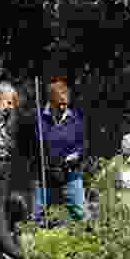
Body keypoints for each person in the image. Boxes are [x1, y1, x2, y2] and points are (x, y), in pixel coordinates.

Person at [32, 75, 86, 222]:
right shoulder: (40, 120)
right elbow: (34, 147)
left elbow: (82, 145)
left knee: (80, 214)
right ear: (51, 102)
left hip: (70, 174)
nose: (63, 108)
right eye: (59, 104)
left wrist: (76, 155)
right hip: (46, 175)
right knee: (37, 216)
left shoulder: (75, 120)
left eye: (65, 104)